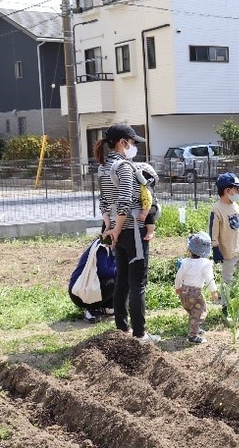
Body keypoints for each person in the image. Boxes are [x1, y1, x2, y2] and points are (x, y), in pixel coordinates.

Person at [96, 123, 160, 343]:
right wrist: (119, 227)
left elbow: (104, 202)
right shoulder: (125, 167)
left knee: (121, 279)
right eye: (132, 142)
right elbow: (125, 201)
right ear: (122, 143)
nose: (134, 147)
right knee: (137, 284)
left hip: (116, 231)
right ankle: (140, 334)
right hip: (132, 231)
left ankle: (122, 328)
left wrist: (110, 227)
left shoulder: (103, 167)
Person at [209, 172, 239, 321]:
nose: (238, 192)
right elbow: (213, 231)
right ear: (227, 190)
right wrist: (215, 248)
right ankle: (225, 306)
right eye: (236, 189)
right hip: (228, 252)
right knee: (227, 279)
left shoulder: (236, 206)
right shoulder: (216, 209)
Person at [175, 232, 218, 344]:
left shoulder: (185, 262)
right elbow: (209, 279)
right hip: (195, 293)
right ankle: (193, 336)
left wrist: (177, 287)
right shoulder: (205, 263)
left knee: (192, 312)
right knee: (199, 313)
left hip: (184, 292)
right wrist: (213, 291)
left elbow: (179, 276)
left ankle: (195, 329)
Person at [134, 162, 160, 241]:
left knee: (149, 215)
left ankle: (150, 232)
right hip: (143, 205)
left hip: (149, 206)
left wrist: (144, 213)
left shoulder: (144, 188)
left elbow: (147, 201)